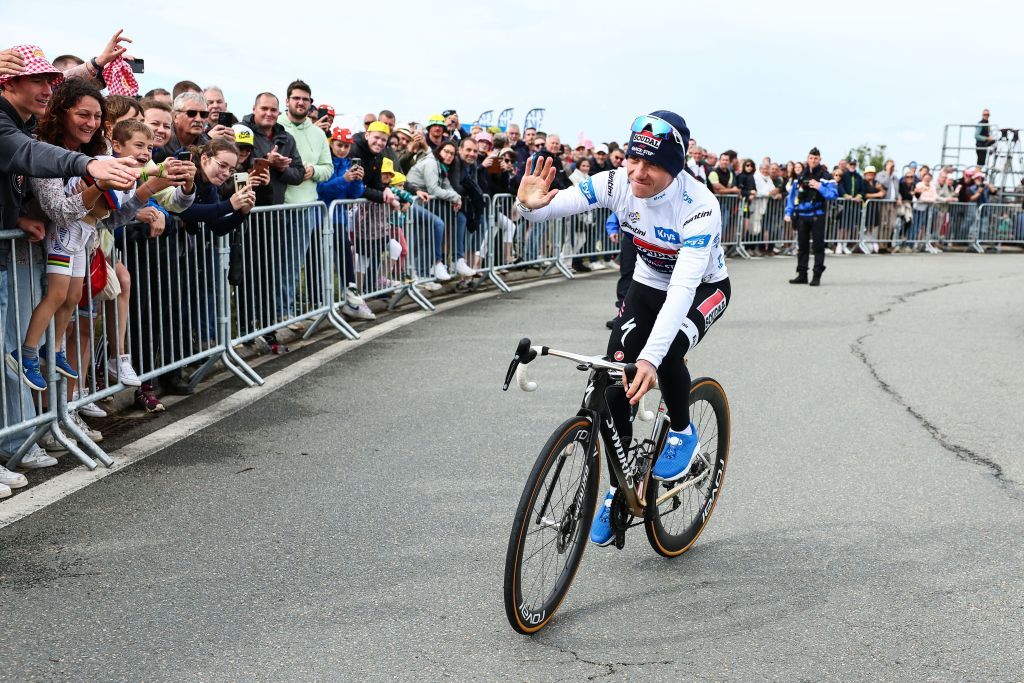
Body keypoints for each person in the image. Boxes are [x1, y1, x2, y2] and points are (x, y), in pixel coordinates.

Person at [516, 110, 730, 547]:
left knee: (664, 351)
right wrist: (529, 206)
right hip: (648, 283)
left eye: (652, 165)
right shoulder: (616, 183)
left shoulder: (700, 206)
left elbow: (683, 289)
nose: (639, 172)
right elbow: (551, 209)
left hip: (702, 289)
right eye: (634, 158)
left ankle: (683, 432)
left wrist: (650, 358)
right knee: (615, 381)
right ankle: (620, 482)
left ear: (675, 167)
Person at [316, 126, 375, 321]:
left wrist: (357, 180)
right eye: (339, 145)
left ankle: (350, 294)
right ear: (331, 144)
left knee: (345, 253)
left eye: (346, 146)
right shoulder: (325, 162)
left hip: (339, 218)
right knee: (318, 260)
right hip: (321, 218)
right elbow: (322, 190)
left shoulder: (349, 164)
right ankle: (318, 304)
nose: (342, 149)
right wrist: (344, 179)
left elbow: (354, 194)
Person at [785, 147, 838, 286]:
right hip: (802, 216)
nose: (813, 160)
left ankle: (816, 276)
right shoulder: (801, 175)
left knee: (818, 247)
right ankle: (802, 275)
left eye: (816, 158)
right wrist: (788, 212)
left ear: (819, 159)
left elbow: (833, 194)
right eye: (811, 158)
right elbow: (792, 196)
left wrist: (820, 186)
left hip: (817, 216)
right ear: (807, 159)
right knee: (802, 247)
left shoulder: (826, 176)